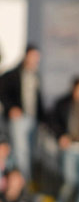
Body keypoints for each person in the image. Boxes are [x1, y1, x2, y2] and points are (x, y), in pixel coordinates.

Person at [0, 44, 44, 181]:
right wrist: (11, 108)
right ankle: (22, 181)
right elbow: (3, 93)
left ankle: (22, 180)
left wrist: (42, 119)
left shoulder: (36, 76)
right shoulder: (12, 75)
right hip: (19, 119)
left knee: (30, 152)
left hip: (32, 119)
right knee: (21, 151)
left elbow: (38, 101)